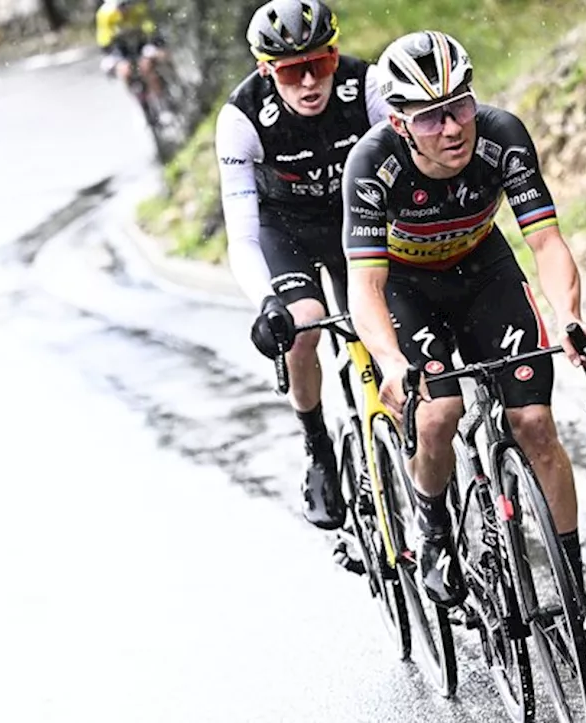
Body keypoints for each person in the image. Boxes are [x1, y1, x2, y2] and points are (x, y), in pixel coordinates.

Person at [341, 30, 586, 668]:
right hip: (407, 288)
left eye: (460, 105)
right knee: (438, 413)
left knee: (535, 425)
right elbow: (366, 285)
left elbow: (546, 244)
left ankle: (576, 605)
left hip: (483, 271)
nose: (452, 127)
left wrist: (570, 318)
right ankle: (434, 529)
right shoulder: (372, 162)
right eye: (431, 116)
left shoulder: (502, 136)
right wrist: (390, 362)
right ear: (399, 123)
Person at [218, 0, 392, 530]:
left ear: (336, 54)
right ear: (267, 70)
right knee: (304, 324)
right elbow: (243, 233)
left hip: (355, 220)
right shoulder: (242, 118)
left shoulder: (367, 85)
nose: (311, 80)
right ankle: (317, 446)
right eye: (293, 71)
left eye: (321, 62)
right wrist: (267, 303)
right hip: (286, 229)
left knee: (382, 317)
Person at [96, 0, 168, 111]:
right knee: (125, 72)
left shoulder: (138, 7)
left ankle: (162, 100)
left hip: (141, 42)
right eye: (120, 7)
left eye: (127, 5)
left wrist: (155, 42)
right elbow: (104, 39)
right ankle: (141, 103)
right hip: (121, 48)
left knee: (147, 66)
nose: (124, 10)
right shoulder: (105, 14)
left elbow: (149, 26)